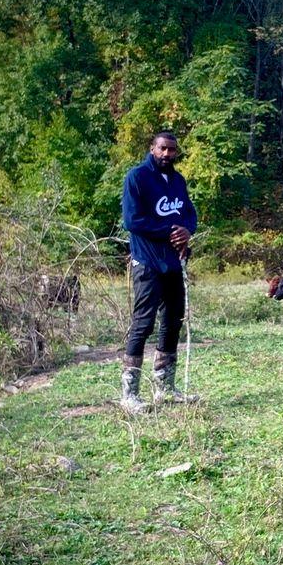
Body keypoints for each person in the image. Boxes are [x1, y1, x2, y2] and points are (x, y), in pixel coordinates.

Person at [120, 131, 199, 413]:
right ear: (152, 148)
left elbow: (190, 213)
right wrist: (168, 232)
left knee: (173, 320)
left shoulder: (178, 181)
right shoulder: (137, 177)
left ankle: (165, 388)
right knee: (143, 323)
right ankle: (129, 394)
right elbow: (132, 220)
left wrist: (187, 231)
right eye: (163, 149)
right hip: (147, 262)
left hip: (174, 263)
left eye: (172, 150)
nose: (167, 154)